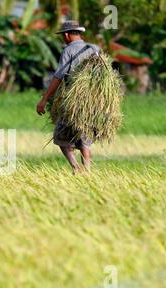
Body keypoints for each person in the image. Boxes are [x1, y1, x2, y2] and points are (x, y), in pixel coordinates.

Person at [36, 21, 100, 174]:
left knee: (61, 136)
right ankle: (87, 170)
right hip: (92, 101)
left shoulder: (68, 50)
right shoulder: (94, 49)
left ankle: (76, 168)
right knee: (84, 136)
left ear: (66, 35)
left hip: (73, 100)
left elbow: (58, 77)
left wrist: (44, 99)